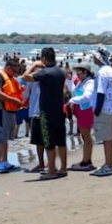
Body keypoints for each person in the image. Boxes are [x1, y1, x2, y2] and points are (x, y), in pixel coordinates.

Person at [22, 48, 68, 180]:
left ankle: (52, 169)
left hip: (47, 111)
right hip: (59, 110)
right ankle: (63, 168)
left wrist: (33, 66)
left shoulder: (44, 72)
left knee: (49, 142)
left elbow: (26, 77)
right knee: (61, 141)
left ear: (43, 58)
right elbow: (64, 91)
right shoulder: (61, 72)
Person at [0, 58, 24, 174]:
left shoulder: (11, 79)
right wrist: (13, 100)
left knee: (7, 138)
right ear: (8, 68)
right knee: (1, 137)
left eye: (18, 72)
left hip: (10, 111)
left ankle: (5, 161)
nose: (16, 74)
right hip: (0, 110)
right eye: (14, 71)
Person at [89, 55, 112, 177]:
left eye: (94, 57)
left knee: (106, 139)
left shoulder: (102, 72)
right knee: (109, 138)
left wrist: (97, 110)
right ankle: (109, 164)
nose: (93, 59)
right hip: (111, 108)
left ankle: (109, 165)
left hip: (104, 109)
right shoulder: (110, 70)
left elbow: (101, 92)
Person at [67, 63, 96, 172]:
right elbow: (74, 92)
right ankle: (86, 160)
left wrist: (73, 101)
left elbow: (87, 96)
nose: (77, 73)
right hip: (81, 112)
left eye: (79, 71)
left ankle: (86, 162)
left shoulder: (90, 82)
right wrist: (69, 81)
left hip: (86, 112)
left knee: (86, 136)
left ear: (85, 72)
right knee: (85, 137)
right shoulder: (81, 82)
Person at [23, 66, 46, 173]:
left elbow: (25, 94)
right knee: (39, 141)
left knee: (44, 140)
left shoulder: (47, 77)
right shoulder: (32, 80)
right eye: (37, 68)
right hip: (36, 112)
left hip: (40, 112)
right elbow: (25, 94)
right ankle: (42, 163)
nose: (38, 70)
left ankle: (46, 163)